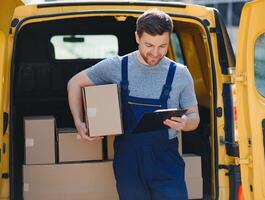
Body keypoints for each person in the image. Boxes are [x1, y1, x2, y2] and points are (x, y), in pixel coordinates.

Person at [67, 8, 200, 200]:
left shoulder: (180, 73)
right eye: (149, 45)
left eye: (162, 46)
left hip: (166, 162)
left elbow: (194, 117)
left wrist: (186, 122)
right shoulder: (117, 66)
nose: (155, 53)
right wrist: (79, 122)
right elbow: (74, 83)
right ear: (137, 37)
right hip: (128, 161)